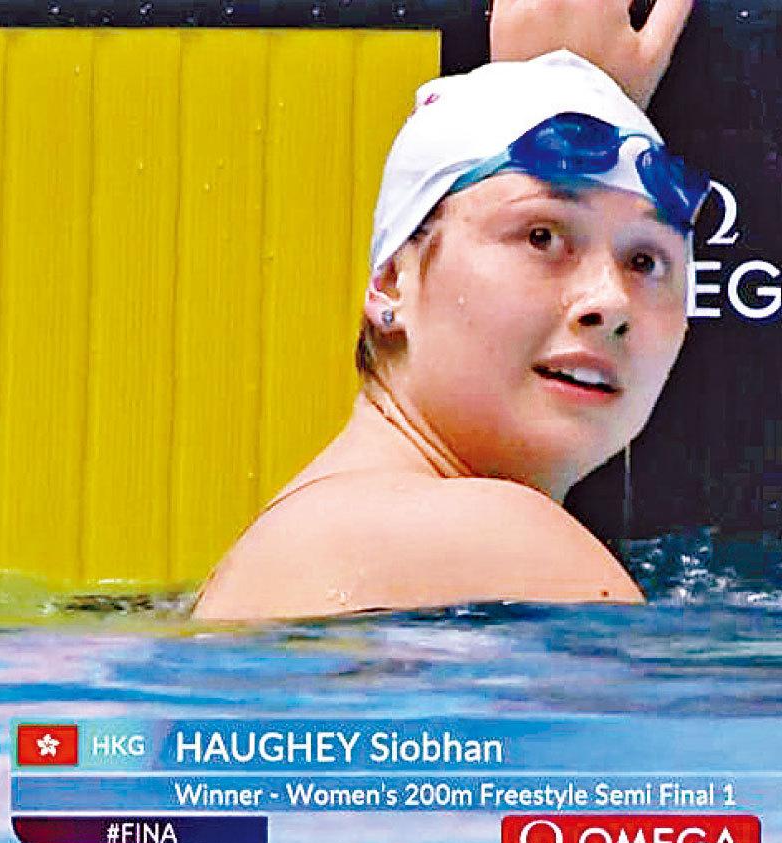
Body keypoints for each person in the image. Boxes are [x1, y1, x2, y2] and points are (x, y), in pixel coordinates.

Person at [193, 0, 704, 620]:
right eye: (542, 236)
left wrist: (571, 88)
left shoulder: (326, 536)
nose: (610, 302)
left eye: (645, 260)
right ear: (392, 283)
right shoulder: (494, 541)